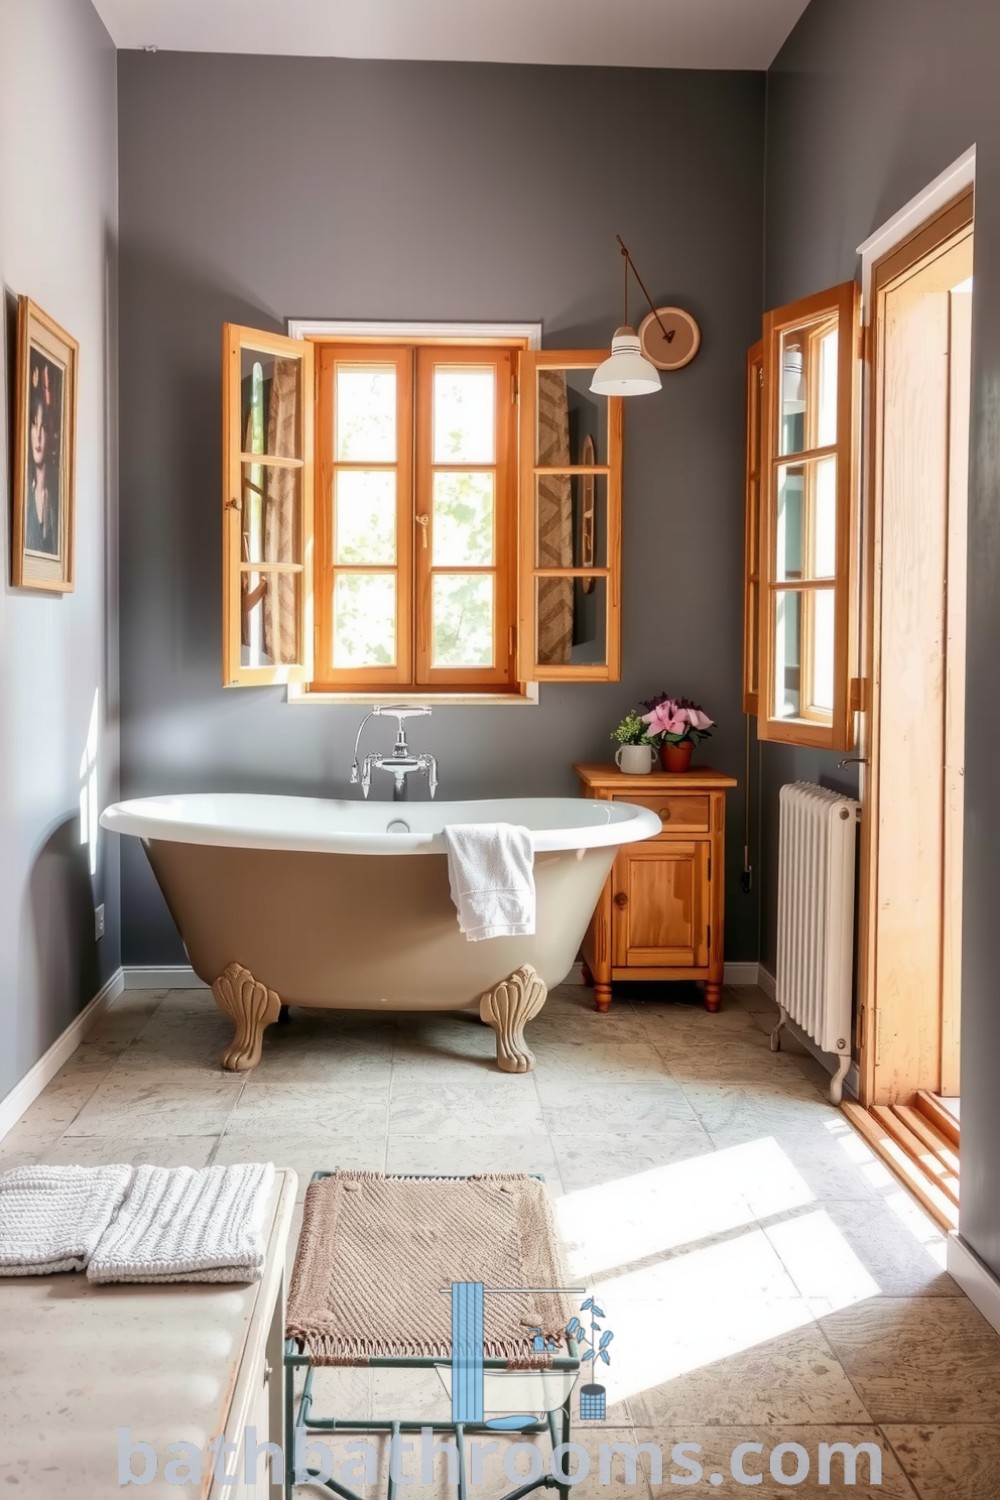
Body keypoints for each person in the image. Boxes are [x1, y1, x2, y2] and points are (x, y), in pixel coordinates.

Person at [24, 354, 61, 557]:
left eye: (44, 426)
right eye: (33, 424)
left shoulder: (55, 503)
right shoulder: (25, 497)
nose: (37, 435)